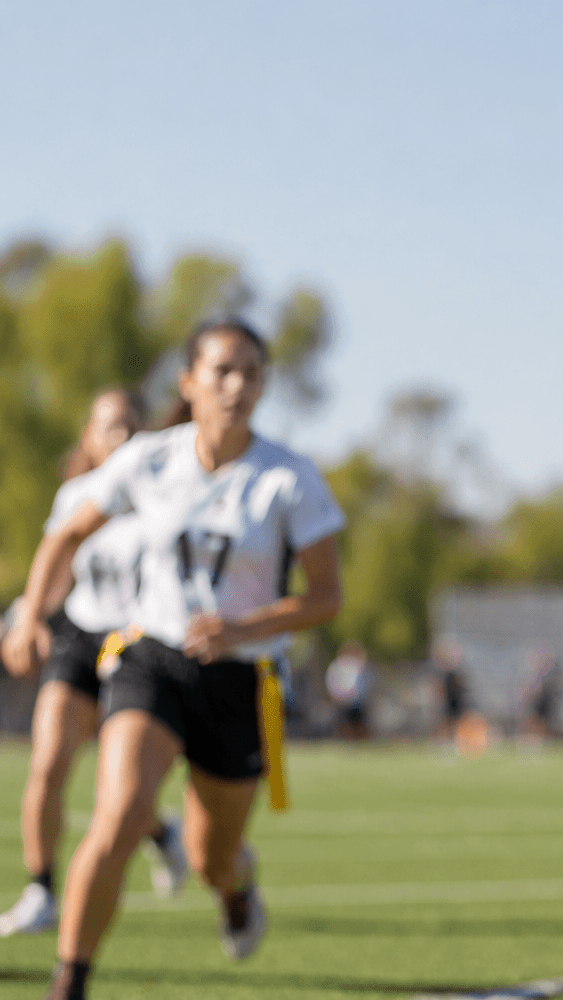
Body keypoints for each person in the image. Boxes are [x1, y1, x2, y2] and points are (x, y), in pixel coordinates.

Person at [2, 319, 345, 1000]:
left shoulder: (288, 479)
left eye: (250, 371)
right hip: (150, 661)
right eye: (222, 370)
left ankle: (236, 886)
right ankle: (68, 983)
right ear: (189, 383)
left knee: (212, 856)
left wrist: (242, 627)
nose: (237, 385)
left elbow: (326, 597)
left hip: (239, 677)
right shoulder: (151, 460)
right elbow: (66, 530)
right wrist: (32, 615)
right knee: (120, 813)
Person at [0, 391, 189, 938]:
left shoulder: (163, 497)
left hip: (139, 648)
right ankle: (40, 891)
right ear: (88, 436)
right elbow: (59, 565)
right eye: (108, 427)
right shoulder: (76, 497)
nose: (119, 438)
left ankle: (162, 834)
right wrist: (28, 617)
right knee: (48, 760)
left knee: (122, 788)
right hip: (81, 637)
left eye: (131, 427)